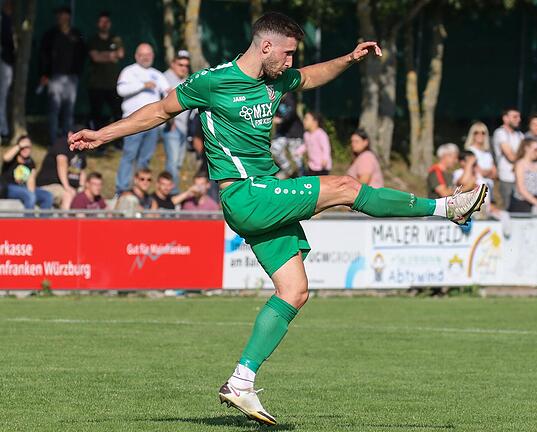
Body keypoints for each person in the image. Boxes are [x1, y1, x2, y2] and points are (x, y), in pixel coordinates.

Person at [68, 12, 487, 426]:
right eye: (286, 54)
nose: (289, 63)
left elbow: (310, 75)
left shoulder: (276, 79)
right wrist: (100, 135)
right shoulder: (212, 82)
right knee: (343, 186)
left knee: (295, 290)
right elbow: (158, 112)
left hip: (264, 194)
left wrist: (349, 59)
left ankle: (241, 381)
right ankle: (447, 209)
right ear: (265, 46)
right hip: (246, 194)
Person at [115, 43, 170, 194]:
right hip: (131, 122)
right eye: (142, 54)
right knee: (129, 155)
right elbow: (121, 90)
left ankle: (138, 191)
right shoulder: (129, 71)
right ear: (136, 56)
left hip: (153, 124)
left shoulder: (158, 75)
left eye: (149, 54)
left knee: (145, 159)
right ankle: (122, 189)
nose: (146, 57)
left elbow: (168, 94)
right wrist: (142, 85)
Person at [39, 6, 87, 145]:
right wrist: (44, 74)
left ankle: (68, 141)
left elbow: (82, 55)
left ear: (69, 17)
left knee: (69, 110)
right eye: (59, 15)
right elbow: (43, 56)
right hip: (55, 78)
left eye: (64, 15)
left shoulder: (76, 34)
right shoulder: (50, 35)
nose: (62, 18)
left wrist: (77, 73)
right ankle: (54, 141)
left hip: (72, 78)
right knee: (54, 110)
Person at [87, 11, 124, 134]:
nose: (104, 24)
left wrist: (103, 54)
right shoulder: (93, 40)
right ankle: (96, 142)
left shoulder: (115, 39)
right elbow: (95, 57)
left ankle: (118, 140)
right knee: (96, 115)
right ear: (98, 24)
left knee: (117, 113)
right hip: (96, 84)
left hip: (113, 84)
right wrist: (110, 55)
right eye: (102, 22)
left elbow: (121, 54)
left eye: (107, 22)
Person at [163, 50, 193, 190]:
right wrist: (170, 121)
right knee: (172, 163)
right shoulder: (165, 78)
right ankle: (172, 193)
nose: (183, 68)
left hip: (183, 128)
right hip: (172, 127)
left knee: (178, 163)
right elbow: (161, 103)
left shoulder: (186, 79)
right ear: (173, 64)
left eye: (186, 65)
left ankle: (172, 190)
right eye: (180, 64)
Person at [36, 129, 87, 210]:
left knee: (83, 198)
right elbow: (62, 165)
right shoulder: (61, 144)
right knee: (68, 195)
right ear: (70, 134)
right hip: (49, 185)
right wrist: (67, 187)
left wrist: (81, 188)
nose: (80, 140)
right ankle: (65, 221)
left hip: (70, 186)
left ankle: (81, 222)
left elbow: (82, 170)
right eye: (78, 137)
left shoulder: (81, 148)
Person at [1, 136, 53, 210]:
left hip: (24, 188)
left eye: (28, 147)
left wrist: (32, 193)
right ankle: (28, 221)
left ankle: (43, 221)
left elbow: (31, 181)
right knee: (29, 195)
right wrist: (19, 145)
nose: (25, 149)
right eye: (23, 147)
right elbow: (5, 158)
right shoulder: (12, 158)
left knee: (47, 196)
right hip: (9, 187)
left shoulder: (31, 162)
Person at [492, 107, 524, 209]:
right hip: (506, 177)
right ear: (505, 118)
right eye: (515, 117)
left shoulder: (520, 135)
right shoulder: (500, 133)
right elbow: (510, 156)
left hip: (521, 177)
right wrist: (523, 159)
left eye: (519, 117)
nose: (519, 119)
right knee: (507, 207)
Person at [271, 92, 304, 178]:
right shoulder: (275, 99)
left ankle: (302, 176)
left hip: (295, 132)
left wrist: (280, 120)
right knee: (274, 148)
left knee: (297, 157)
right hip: (282, 132)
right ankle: (287, 169)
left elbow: (291, 113)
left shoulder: (290, 98)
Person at [299, 111, 331, 176]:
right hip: (312, 165)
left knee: (321, 184)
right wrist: (298, 151)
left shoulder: (321, 134)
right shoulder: (306, 134)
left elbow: (326, 148)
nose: (304, 121)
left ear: (315, 122)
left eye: (306, 119)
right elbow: (306, 145)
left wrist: (325, 159)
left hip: (322, 167)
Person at [0, 0, 15, 140]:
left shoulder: (13, 20)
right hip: (5, 62)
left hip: (6, 63)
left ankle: (3, 130)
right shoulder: (4, 19)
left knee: (3, 98)